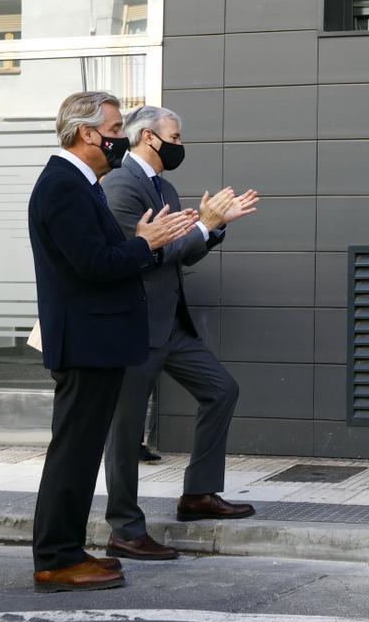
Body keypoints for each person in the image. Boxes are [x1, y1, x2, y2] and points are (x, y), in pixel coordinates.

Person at [28, 91, 197, 592]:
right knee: (73, 455)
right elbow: (95, 266)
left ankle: (67, 551)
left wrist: (140, 243)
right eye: (117, 128)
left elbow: (99, 257)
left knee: (78, 454)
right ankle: (56, 559)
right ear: (88, 133)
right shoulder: (63, 186)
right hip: (85, 343)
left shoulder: (82, 185)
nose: (121, 137)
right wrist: (146, 245)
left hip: (94, 341)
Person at [101, 105, 259, 561]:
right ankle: (125, 529)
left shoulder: (161, 185)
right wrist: (204, 225)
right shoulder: (119, 185)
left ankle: (198, 494)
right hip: (134, 325)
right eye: (175, 135)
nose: (180, 143)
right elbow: (149, 253)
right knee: (125, 428)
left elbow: (182, 253)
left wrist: (214, 225)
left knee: (221, 390)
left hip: (170, 324)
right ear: (149, 137)